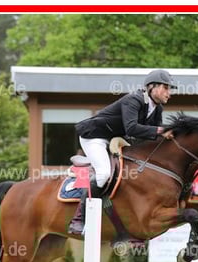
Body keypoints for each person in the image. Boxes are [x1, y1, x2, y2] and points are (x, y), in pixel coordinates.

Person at [68, 69, 176, 235]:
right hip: (95, 137)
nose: (169, 93)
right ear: (152, 87)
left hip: (114, 139)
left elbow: (151, 137)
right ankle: (79, 220)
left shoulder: (157, 108)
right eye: (166, 88)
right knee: (104, 173)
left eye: (170, 89)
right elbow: (132, 128)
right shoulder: (134, 99)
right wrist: (161, 131)